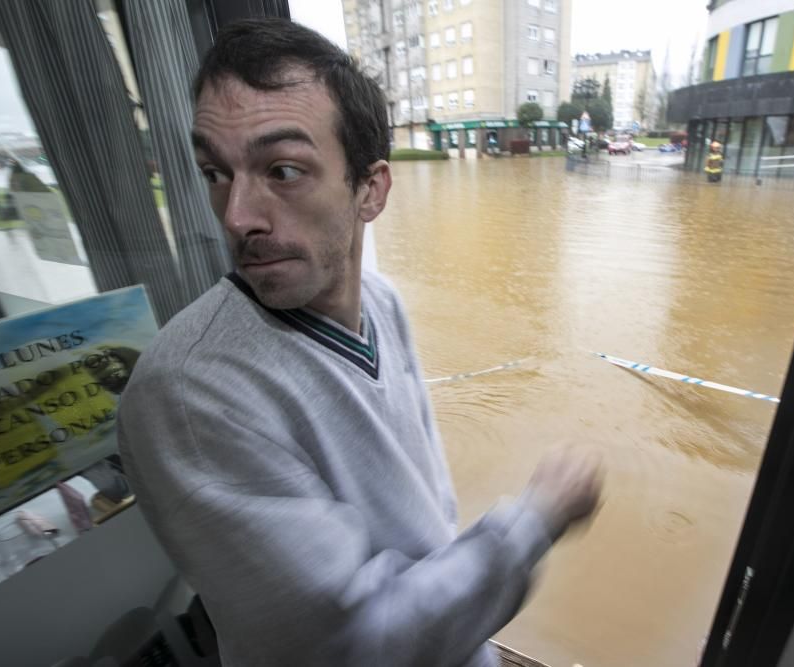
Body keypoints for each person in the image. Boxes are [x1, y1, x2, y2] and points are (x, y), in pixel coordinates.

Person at [117, 18, 605, 667]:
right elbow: (352, 645)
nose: (237, 216)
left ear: (371, 189)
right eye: (215, 171)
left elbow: (428, 508)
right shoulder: (186, 395)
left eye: (283, 170)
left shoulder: (383, 302)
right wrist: (536, 519)